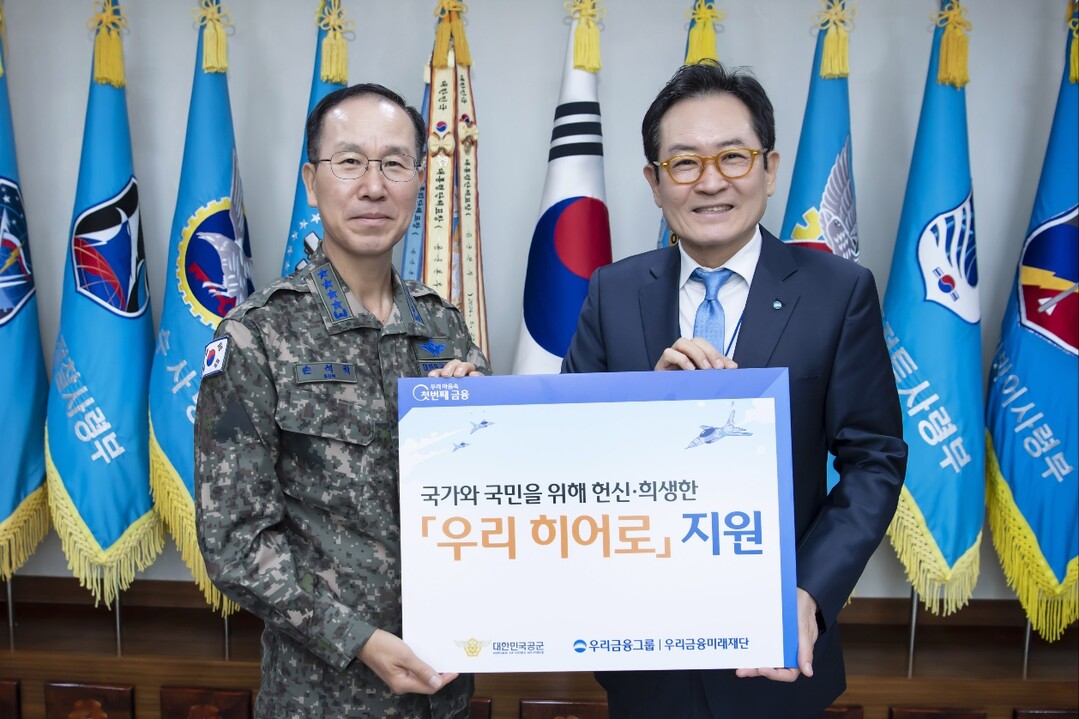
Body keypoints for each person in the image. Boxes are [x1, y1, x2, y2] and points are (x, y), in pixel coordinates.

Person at [562, 61, 907, 719]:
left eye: (732, 156)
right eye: (684, 163)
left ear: (769, 169)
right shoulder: (612, 292)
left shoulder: (838, 293)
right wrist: (650, 410)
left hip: (779, 654)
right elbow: (570, 457)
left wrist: (808, 592)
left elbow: (874, 460)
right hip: (644, 652)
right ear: (654, 182)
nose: (711, 181)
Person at [194, 83, 487, 719]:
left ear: (419, 181)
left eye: (395, 164)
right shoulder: (255, 336)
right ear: (312, 181)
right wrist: (358, 640)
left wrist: (487, 426)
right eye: (350, 162)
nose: (373, 187)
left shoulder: (445, 329)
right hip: (321, 696)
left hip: (446, 691)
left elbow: (492, 502)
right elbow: (235, 543)